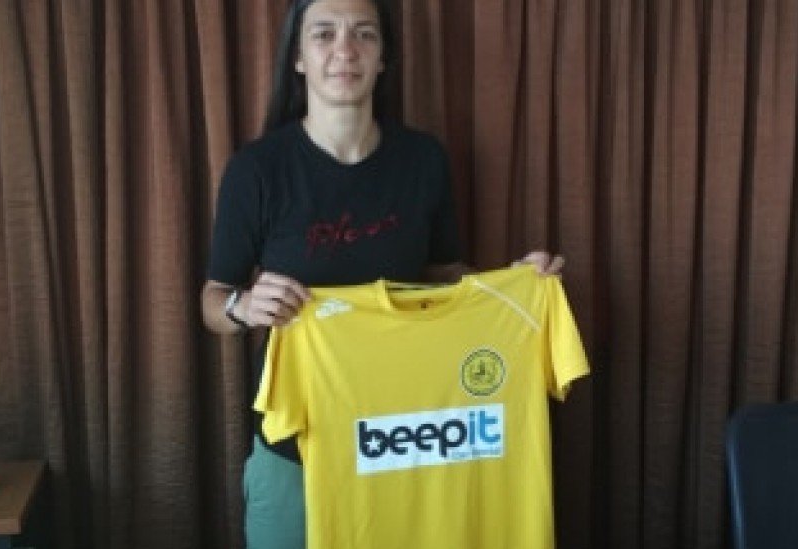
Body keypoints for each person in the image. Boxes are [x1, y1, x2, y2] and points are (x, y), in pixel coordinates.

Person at [201, 0, 563, 547]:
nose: (344, 50)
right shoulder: (257, 170)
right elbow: (213, 300)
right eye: (324, 34)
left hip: (402, 434)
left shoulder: (423, 161)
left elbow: (444, 277)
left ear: (383, 57)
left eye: (364, 34)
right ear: (297, 57)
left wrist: (509, 289)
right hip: (297, 439)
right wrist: (243, 307)